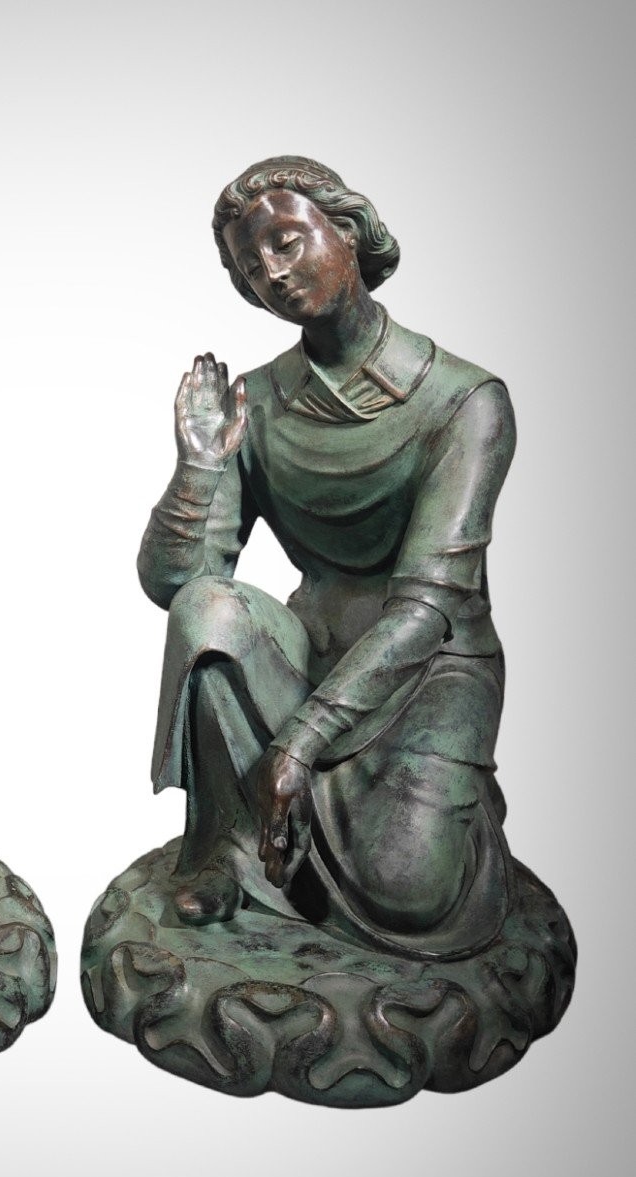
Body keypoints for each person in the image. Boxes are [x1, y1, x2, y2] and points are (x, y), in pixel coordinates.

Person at [139, 156, 515, 960]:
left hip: (431, 666)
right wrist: (199, 469)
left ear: (347, 232)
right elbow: (176, 584)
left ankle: (447, 808)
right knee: (208, 612)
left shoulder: (464, 401)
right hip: (307, 650)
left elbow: (427, 607)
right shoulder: (256, 401)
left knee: (409, 889)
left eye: (285, 242)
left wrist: (298, 743)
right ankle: (228, 852)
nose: (272, 273)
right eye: (251, 267)